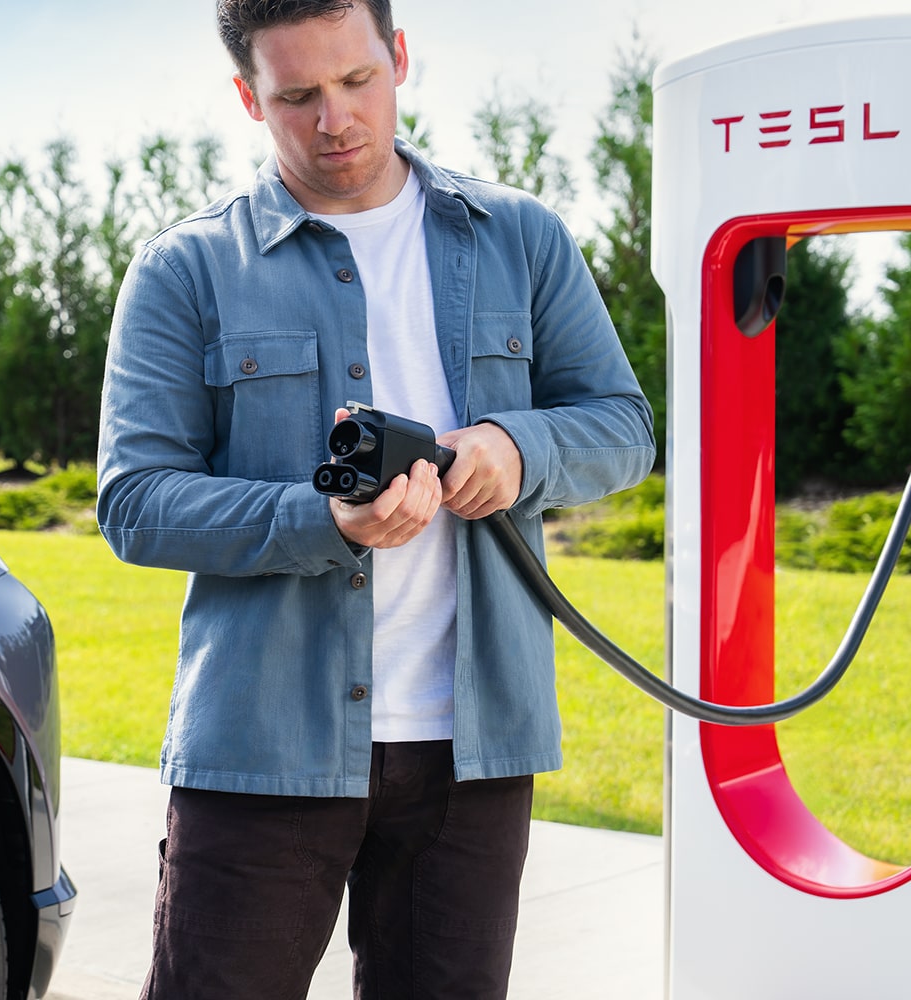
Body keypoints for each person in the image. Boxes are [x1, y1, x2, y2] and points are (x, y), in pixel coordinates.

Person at [96, 1, 656, 997]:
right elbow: (136, 501)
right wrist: (325, 522)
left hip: (470, 756)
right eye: (297, 96)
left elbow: (621, 428)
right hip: (259, 752)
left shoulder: (519, 239)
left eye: (358, 82)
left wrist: (512, 448)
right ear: (247, 97)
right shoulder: (186, 268)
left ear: (398, 56)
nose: (335, 120)